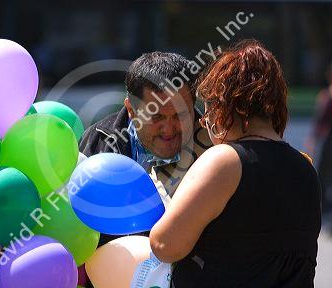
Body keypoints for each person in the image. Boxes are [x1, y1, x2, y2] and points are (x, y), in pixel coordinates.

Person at [150, 40, 321, 287]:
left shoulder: (224, 161)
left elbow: (165, 245)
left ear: (222, 109)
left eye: (207, 113)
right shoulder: (306, 169)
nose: (204, 123)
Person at [79, 52, 212, 246]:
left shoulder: (217, 147)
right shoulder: (99, 141)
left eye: (180, 115)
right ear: (131, 109)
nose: (169, 129)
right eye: (156, 117)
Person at [305, 62, 332, 215]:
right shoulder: (326, 96)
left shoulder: (326, 97)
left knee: (323, 174)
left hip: (328, 142)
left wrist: (313, 141)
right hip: (327, 141)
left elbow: (319, 124)